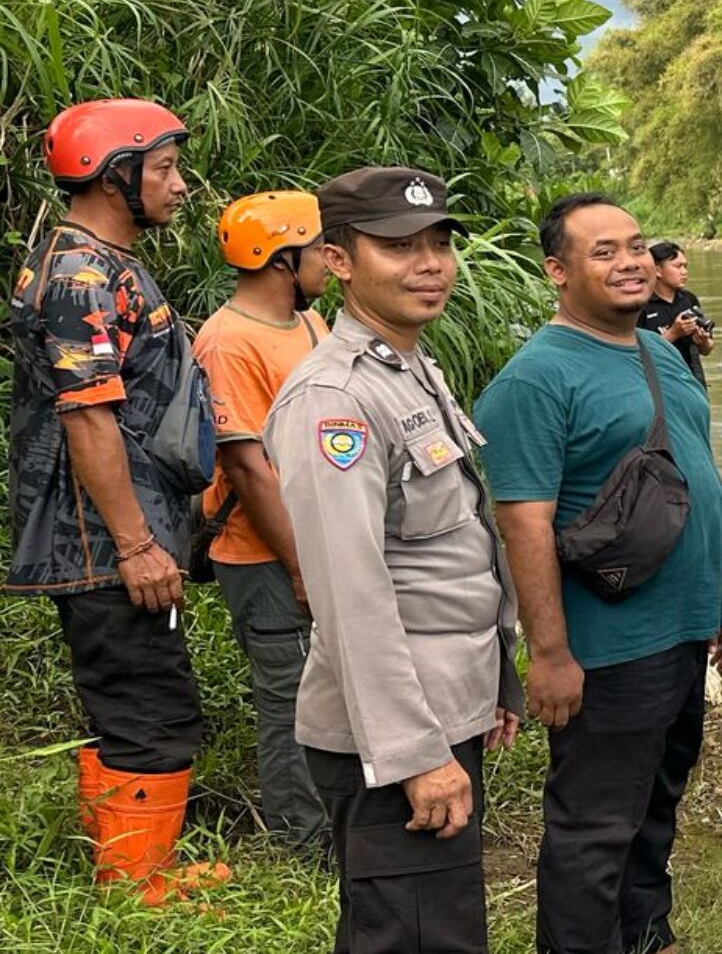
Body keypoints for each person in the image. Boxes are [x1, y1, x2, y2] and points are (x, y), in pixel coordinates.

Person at [473, 194, 722, 954]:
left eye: (635, 247)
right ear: (557, 271)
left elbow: (699, 483)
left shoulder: (656, 350)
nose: (629, 263)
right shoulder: (536, 380)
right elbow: (524, 524)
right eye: (603, 251)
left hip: (681, 633)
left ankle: (647, 938)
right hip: (611, 647)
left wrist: (721, 607)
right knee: (594, 827)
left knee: (656, 808)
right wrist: (550, 654)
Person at [267, 167, 524, 953]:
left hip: (441, 705)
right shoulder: (333, 400)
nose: (430, 263)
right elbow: (352, 596)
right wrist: (416, 755)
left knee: (410, 930)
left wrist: (497, 680)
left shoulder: (407, 364)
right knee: (420, 937)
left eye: (440, 243)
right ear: (339, 260)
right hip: (392, 739)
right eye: (399, 246)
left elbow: (456, 546)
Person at [10, 96, 219, 905]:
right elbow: (88, 414)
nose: (179, 184)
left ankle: (131, 866)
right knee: (148, 701)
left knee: (132, 693)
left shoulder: (98, 258)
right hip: (104, 541)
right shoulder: (81, 274)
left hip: (127, 527)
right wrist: (135, 544)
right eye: (163, 169)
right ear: (113, 175)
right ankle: (140, 887)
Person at [196, 189, 332, 854]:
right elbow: (249, 471)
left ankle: (338, 827)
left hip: (318, 546)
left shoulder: (309, 324)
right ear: (282, 259)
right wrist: (303, 567)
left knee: (329, 689)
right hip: (264, 556)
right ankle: (301, 845)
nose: (328, 264)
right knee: (290, 703)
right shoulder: (227, 342)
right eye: (316, 252)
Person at [637, 239, 713, 382]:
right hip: (659, 384)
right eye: (677, 266)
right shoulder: (640, 305)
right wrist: (673, 333)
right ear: (657, 270)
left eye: (685, 266)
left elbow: (707, 349)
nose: (684, 272)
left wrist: (702, 341)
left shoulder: (689, 299)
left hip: (693, 380)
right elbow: (636, 355)